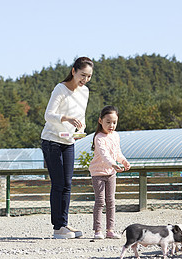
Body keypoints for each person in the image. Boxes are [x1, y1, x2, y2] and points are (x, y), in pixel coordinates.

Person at [41, 56, 94, 239]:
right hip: (51, 140)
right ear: (73, 71)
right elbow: (48, 115)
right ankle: (58, 228)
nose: (85, 80)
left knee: (68, 184)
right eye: (82, 75)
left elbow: (82, 117)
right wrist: (66, 118)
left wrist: (81, 129)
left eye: (88, 76)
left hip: (69, 140)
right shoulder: (60, 89)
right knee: (58, 184)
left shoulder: (85, 92)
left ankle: (63, 224)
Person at [88, 105, 131, 239]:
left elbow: (117, 152)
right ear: (100, 121)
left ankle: (110, 230)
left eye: (114, 122)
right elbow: (104, 154)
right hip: (98, 173)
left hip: (111, 173)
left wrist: (123, 161)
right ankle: (97, 230)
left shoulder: (115, 136)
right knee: (100, 201)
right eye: (108, 122)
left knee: (111, 201)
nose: (111, 125)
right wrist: (113, 164)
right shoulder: (99, 138)